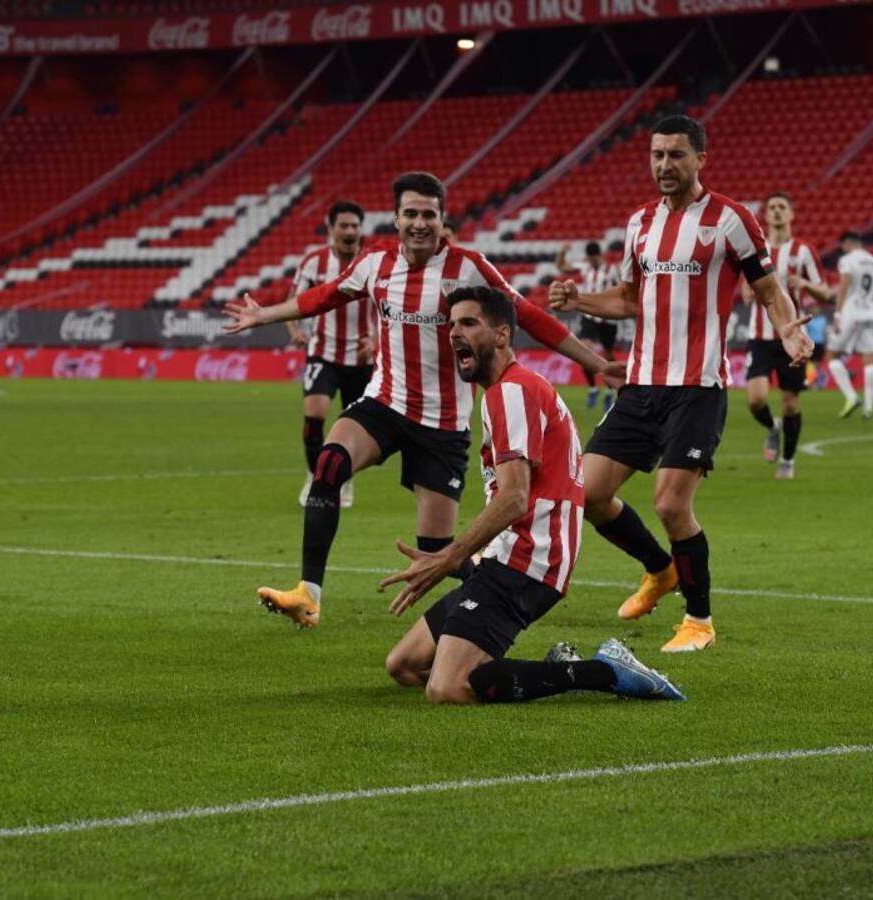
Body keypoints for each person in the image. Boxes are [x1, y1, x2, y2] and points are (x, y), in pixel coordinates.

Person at [223, 171, 620, 628]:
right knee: (329, 465)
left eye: (428, 214)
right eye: (410, 213)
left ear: (442, 219)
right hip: (386, 405)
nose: (419, 223)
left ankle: (496, 601)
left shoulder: (468, 267)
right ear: (395, 218)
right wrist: (263, 316)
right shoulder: (375, 264)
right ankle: (308, 595)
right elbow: (324, 297)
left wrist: (595, 361)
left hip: (443, 425)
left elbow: (524, 314)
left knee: (438, 552)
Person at [550, 116, 813, 653]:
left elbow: (767, 289)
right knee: (589, 493)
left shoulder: (731, 220)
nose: (664, 165)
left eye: (676, 155)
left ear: (700, 160)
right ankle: (659, 569)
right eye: (657, 155)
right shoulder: (639, 224)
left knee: (671, 504)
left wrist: (787, 329)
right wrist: (579, 301)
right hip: (642, 386)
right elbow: (627, 299)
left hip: (697, 387)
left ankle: (699, 622)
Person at [380, 286, 684, 704]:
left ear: (502, 335)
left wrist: (451, 556)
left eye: (469, 323)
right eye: (452, 325)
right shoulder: (510, 390)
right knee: (404, 665)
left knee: (447, 688)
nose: (454, 333)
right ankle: (516, 667)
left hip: (529, 558)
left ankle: (600, 671)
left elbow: (515, 497)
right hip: (510, 555)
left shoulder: (513, 391)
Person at [284, 200, 370, 509]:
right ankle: (313, 475)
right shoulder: (314, 263)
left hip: (363, 360)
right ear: (331, 229)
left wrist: (375, 339)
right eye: (343, 226)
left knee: (354, 427)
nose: (350, 231)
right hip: (322, 352)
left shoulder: (373, 262)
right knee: (314, 416)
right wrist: (294, 330)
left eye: (354, 226)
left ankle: (343, 480)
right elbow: (294, 301)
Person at [742, 192, 829, 480]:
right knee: (755, 399)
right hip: (759, 334)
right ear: (765, 216)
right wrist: (749, 289)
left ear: (791, 215)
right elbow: (744, 292)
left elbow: (825, 291)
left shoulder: (803, 251)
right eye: (772, 208)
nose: (777, 212)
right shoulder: (756, 249)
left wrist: (802, 282)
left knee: (791, 402)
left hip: (793, 337)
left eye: (782, 207)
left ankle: (788, 460)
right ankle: (772, 427)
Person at [825, 232, 873, 419]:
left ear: (847, 244)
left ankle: (851, 396)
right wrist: (870, 304)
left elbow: (844, 286)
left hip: (851, 313)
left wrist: (837, 315)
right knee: (869, 359)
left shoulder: (848, 260)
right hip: (871, 313)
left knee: (831, 356)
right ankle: (869, 407)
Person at [555, 240, 621, 411]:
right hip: (589, 316)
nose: (590, 262)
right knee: (584, 349)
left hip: (607, 318)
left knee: (608, 356)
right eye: (589, 259)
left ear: (598, 255)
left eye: (592, 259)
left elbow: (622, 289)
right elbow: (563, 267)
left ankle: (608, 392)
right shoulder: (585, 267)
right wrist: (562, 252)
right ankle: (592, 388)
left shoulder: (612, 271)